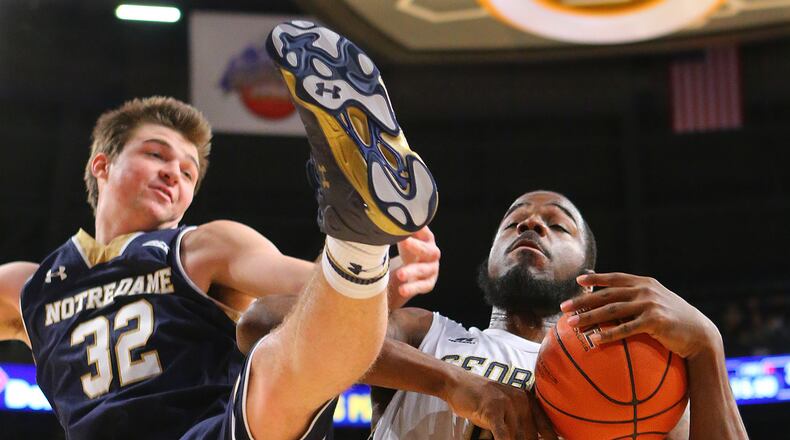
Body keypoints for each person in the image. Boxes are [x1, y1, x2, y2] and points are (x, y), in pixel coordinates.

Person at [0, 21, 440, 440]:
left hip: (217, 431)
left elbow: (316, 300)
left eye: (188, 172)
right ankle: (358, 241)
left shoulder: (204, 247)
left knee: (273, 350)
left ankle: (356, 239)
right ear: (102, 165)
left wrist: (393, 277)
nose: (174, 173)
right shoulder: (31, 286)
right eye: (157, 155)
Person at [240, 190, 749, 440]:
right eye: (515, 221)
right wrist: (448, 381)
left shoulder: (636, 371)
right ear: (488, 259)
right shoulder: (428, 334)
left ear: (587, 269)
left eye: (558, 225)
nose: (531, 225)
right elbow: (262, 323)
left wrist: (706, 346)